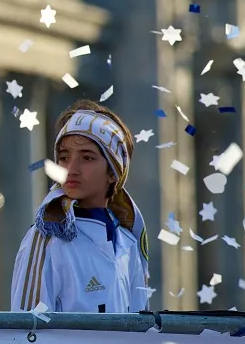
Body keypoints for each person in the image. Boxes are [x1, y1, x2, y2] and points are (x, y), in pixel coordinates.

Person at [10, 100, 150, 314]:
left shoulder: (129, 243)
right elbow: (26, 332)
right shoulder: (46, 238)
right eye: (64, 157)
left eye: (86, 158)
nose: (71, 169)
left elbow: (141, 331)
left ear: (114, 172)